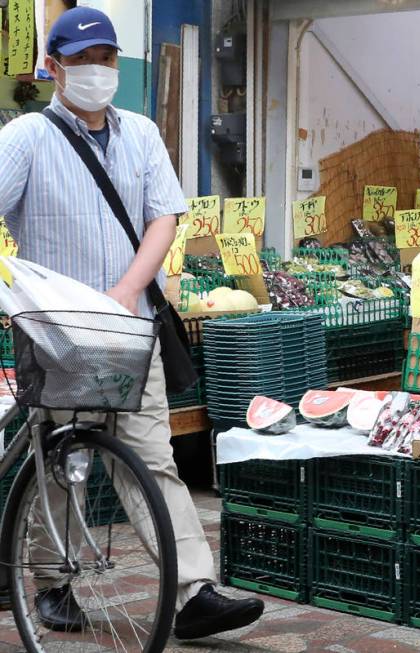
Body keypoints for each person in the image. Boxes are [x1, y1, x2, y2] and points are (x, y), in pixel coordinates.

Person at [0, 7, 263, 640]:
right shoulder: (26, 139)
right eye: (83, 60)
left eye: (107, 59)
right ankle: (51, 581)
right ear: (54, 67)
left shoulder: (142, 133)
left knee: (151, 459)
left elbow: (163, 220)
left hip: (129, 329)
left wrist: (126, 291)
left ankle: (193, 591)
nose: (97, 71)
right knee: (60, 460)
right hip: (58, 334)